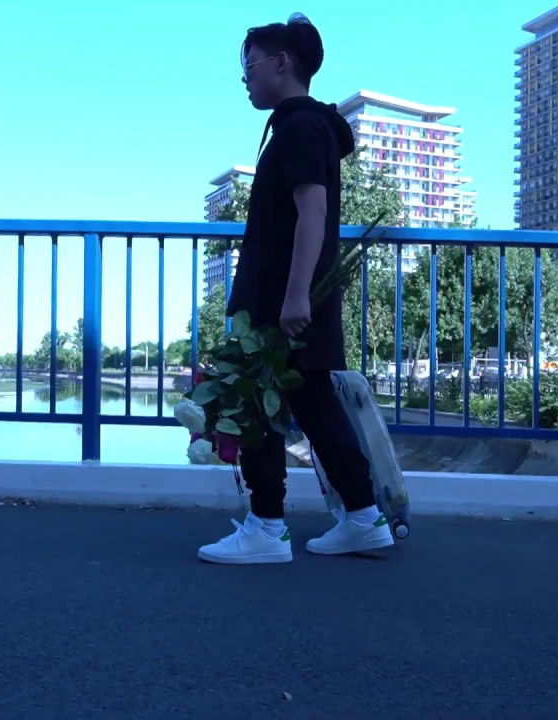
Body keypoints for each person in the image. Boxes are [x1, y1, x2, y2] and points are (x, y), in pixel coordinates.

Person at [197, 13, 394, 564]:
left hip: (283, 299)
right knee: (314, 408)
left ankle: (266, 528)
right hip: (297, 296)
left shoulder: (301, 129)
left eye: (250, 66)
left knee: (256, 404)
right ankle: (363, 518)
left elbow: (314, 213)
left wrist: (294, 295)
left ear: (281, 63)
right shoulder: (303, 127)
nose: (245, 78)